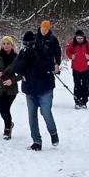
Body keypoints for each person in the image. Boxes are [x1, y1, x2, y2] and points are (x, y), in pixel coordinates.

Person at [13, 20, 62, 151]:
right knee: (32, 116)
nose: (28, 46)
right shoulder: (23, 53)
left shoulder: (44, 49)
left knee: (46, 113)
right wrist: (24, 57)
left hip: (45, 88)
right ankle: (36, 141)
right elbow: (16, 69)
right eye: (25, 44)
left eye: (30, 44)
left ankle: (53, 132)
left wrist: (38, 57)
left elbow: (49, 64)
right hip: (30, 89)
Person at [0, 36, 21, 140]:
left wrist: (12, 80)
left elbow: (22, 74)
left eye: (8, 44)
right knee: (2, 110)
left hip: (11, 88)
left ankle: (7, 129)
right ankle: (9, 123)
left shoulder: (17, 57)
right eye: (3, 44)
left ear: (12, 45)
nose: (5, 46)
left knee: (5, 109)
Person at [66, 29, 89, 109]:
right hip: (76, 68)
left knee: (85, 85)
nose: (79, 40)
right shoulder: (72, 44)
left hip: (86, 68)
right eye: (78, 38)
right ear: (75, 37)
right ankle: (77, 101)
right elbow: (67, 51)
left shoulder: (88, 44)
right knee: (77, 85)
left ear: (84, 37)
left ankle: (84, 101)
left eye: (81, 38)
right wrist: (71, 56)